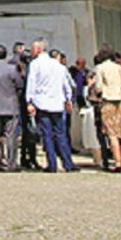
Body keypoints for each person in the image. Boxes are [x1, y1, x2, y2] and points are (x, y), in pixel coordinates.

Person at [26, 39, 78, 173]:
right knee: (61, 134)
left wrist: (29, 101)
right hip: (57, 102)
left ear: (38, 49)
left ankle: (52, 164)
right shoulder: (58, 65)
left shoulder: (35, 64)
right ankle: (68, 163)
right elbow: (66, 84)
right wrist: (68, 99)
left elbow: (31, 83)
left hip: (42, 102)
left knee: (47, 135)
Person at [94, 47, 121, 173]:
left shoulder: (100, 68)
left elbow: (99, 87)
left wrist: (98, 94)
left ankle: (118, 163)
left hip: (108, 101)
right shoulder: (118, 67)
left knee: (112, 133)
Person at [0, 44, 23, 172]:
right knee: (11, 136)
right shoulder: (11, 69)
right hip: (10, 105)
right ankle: (11, 163)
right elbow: (19, 84)